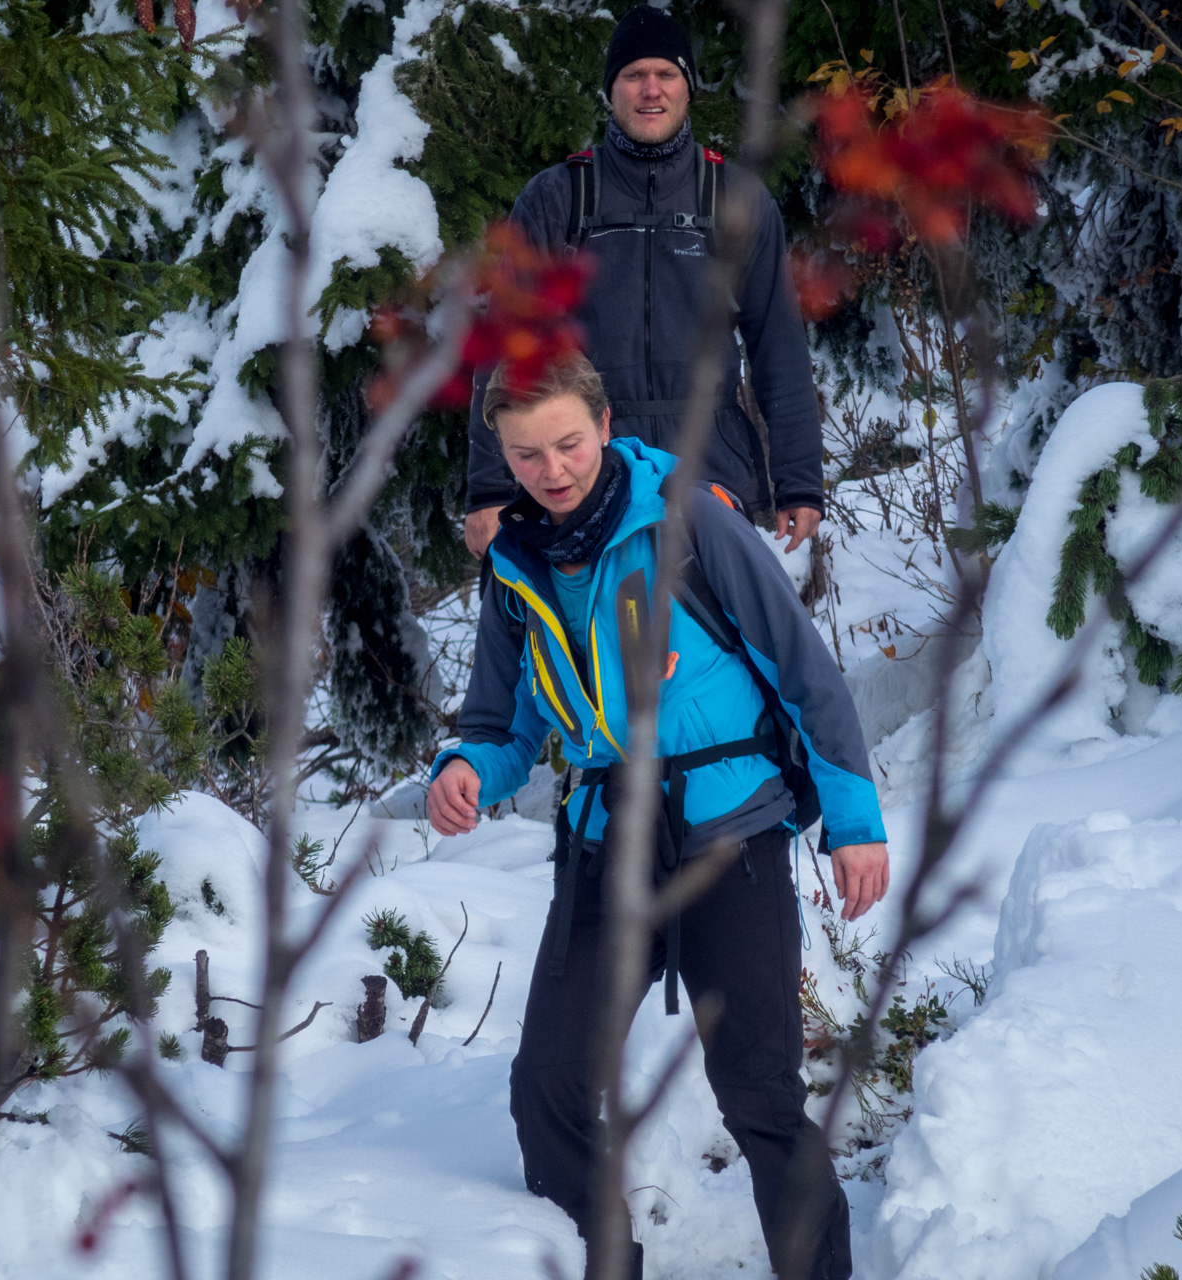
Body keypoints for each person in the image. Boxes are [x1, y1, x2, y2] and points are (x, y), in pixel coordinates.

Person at [428, 353, 889, 1280]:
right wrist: (465, 768)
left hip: (731, 842)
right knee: (548, 1086)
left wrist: (855, 822)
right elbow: (501, 721)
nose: (551, 470)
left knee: (758, 1094)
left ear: (603, 426)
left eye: (566, 443)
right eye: (525, 456)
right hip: (606, 849)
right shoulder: (514, 567)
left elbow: (805, 672)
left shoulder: (690, 524)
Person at [462, 4, 827, 562]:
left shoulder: (736, 200)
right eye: (634, 75)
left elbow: (778, 345)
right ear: (612, 90)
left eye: (666, 74)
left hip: (713, 470)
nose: (650, 90)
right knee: (600, 641)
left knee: (714, 641)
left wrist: (798, 481)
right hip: (587, 472)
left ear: (687, 88)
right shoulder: (558, 197)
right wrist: (490, 489)